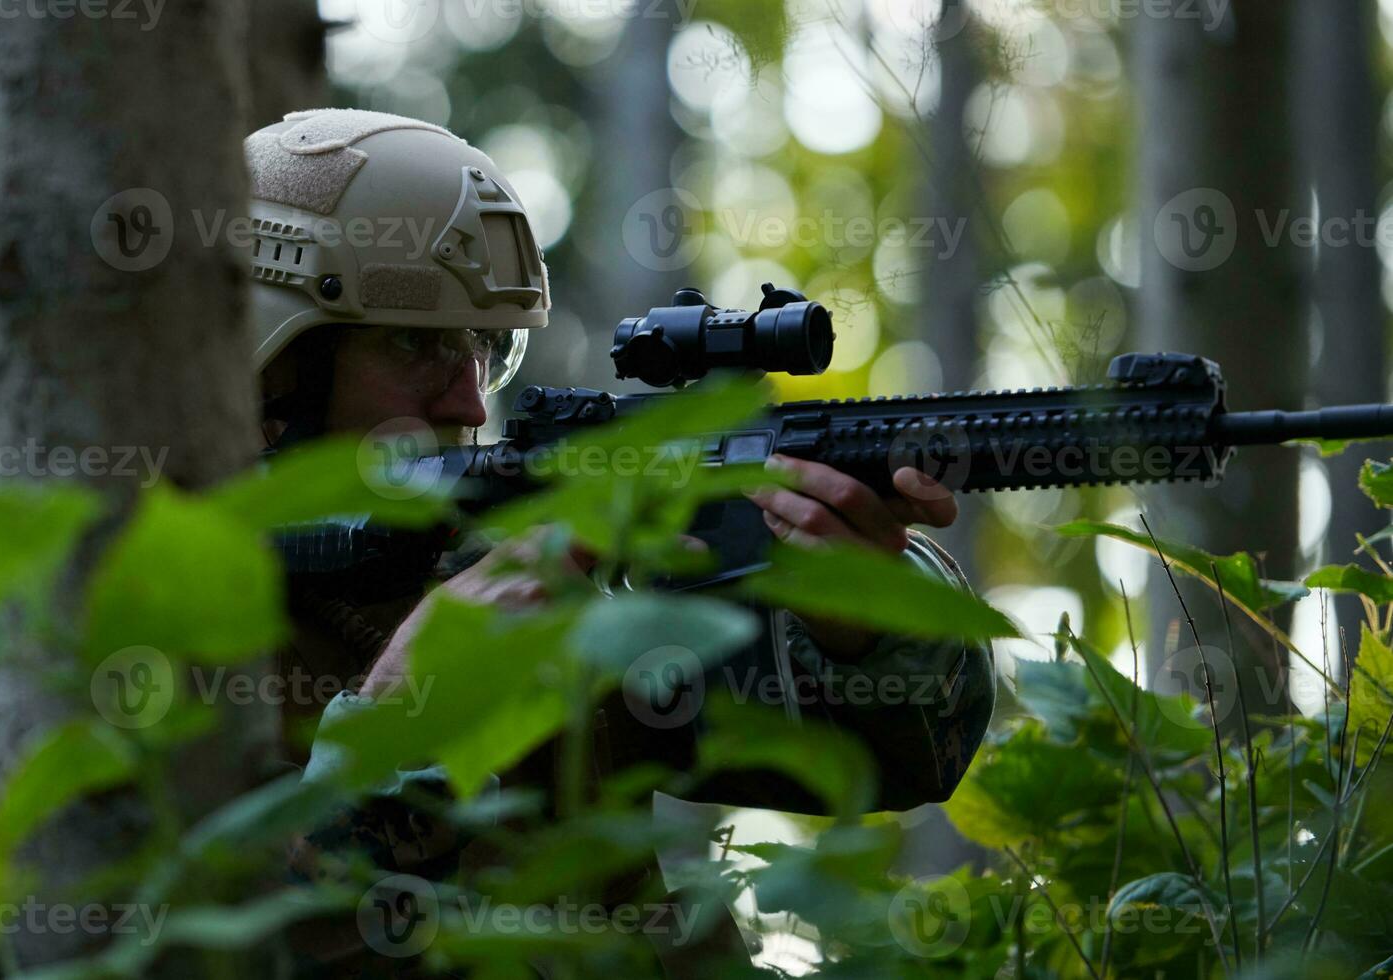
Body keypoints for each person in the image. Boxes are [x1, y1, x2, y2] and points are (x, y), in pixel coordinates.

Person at [247, 108, 994, 974]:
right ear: (275, 366)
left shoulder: (503, 584)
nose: (467, 404)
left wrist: (858, 619)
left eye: (482, 352)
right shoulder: (123, 629)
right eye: (416, 346)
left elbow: (889, 760)